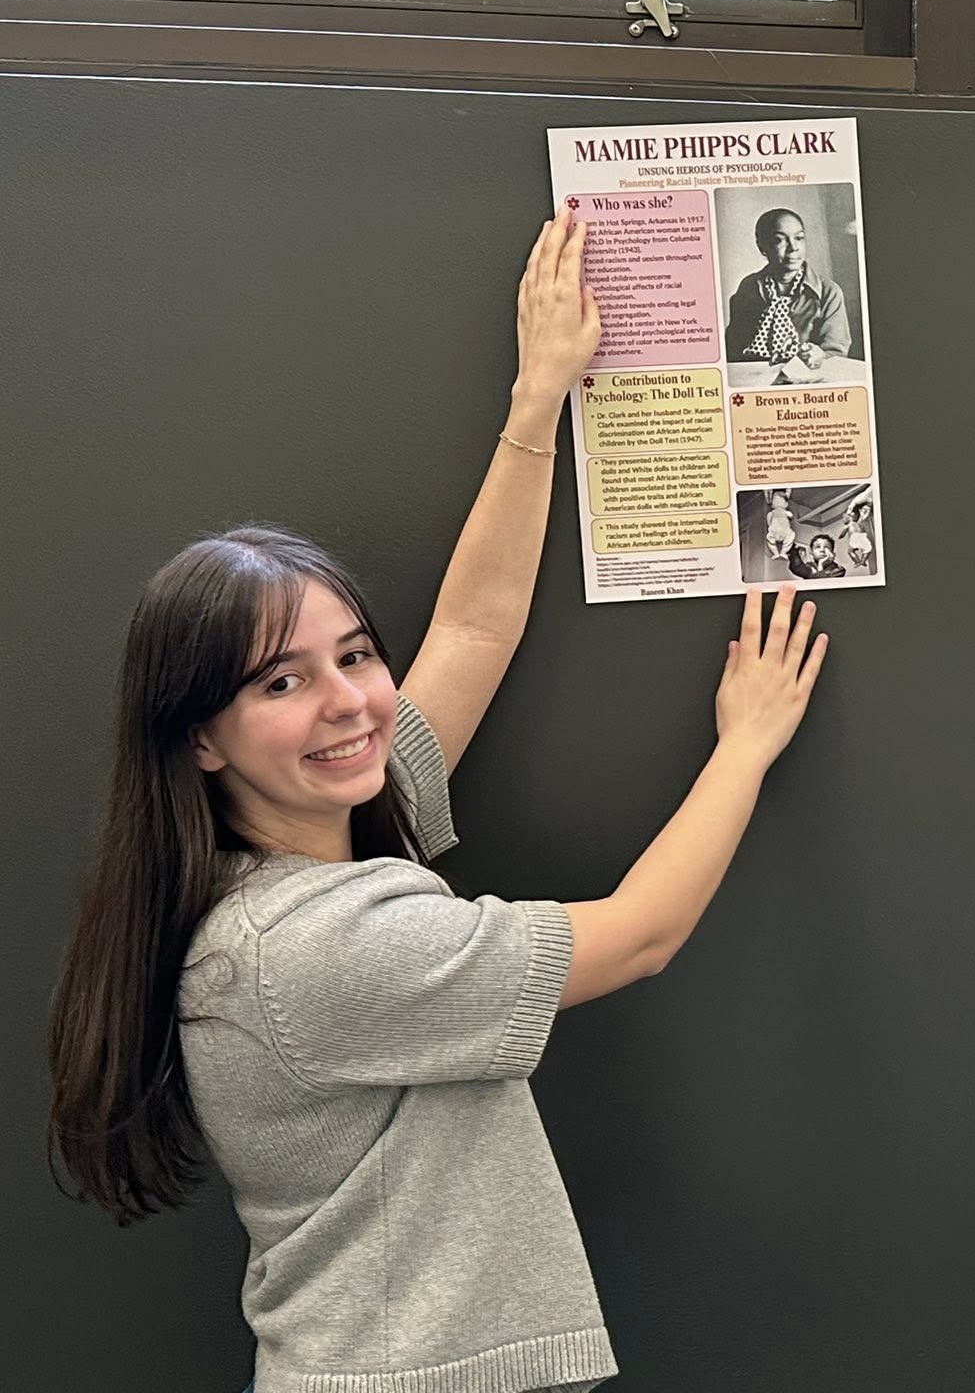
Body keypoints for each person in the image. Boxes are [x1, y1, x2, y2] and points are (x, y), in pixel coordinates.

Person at [45, 212, 831, 1393]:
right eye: (280, 681)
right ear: (200, 738)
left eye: (354, 656)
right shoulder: (315, 945)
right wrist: (747, 743)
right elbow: (641, 934)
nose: (348, 704)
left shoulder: (319, 843)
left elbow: (471, 628)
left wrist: (540, 398)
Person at [723, 207, 851, 377]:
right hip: (756, 379)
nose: (793, 248)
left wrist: (821, 356)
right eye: (779, 240)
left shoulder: (828, 292)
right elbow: (734, 348)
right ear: (762, 247)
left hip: (808, 378)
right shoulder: (749, 288)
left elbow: (837, 353)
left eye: (799, 238)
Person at [841, 497, 876, 573]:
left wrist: (841, 536)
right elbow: (863, 529)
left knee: (850, 551)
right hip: (862, 538)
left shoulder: (849, 524)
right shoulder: (859, 523)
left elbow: (843, 533)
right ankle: (863, 560)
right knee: (867, 550)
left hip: (854, 539)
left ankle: (857, 561)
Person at [765, 487, 796, 560]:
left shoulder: (785, 512)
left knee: (791, 536)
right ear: (772, 504)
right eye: (776, 501)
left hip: (785, 530)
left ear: (786, 504)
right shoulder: (772, 512)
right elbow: (769, 519)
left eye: (781, 501)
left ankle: (783, 552)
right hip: (774, 530)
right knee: (769, 539)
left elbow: (791, 515)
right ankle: (776, 553)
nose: (779, 503)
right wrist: (771, 527)